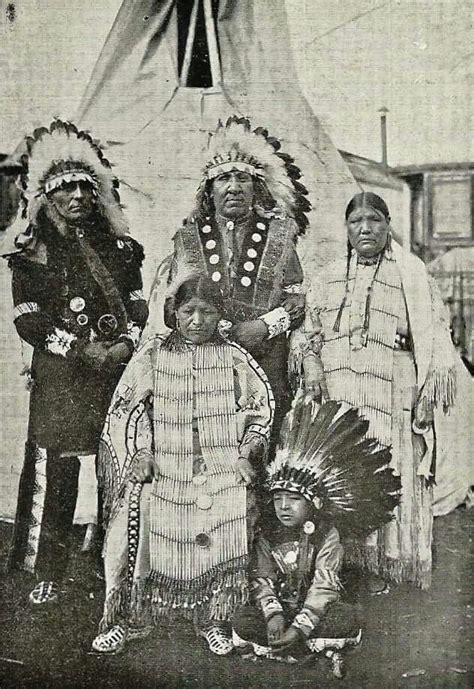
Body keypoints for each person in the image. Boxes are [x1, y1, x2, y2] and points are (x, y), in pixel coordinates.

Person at [91, 275, 275, 656]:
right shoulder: (152, 355)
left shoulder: (236, 356)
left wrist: (246, 453)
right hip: (164, 462)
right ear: (174, 313)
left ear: (220, 315)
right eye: (188, 311)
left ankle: (214, 618)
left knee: (231, 505)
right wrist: (141, 454)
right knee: (140, 507)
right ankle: (128, 617)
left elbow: (261, 407)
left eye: (207, 312)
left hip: (221, 463)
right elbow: (127, 409)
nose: (197, 321)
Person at [4, 120, 148, 604]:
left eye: (85, 187)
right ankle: (47, 568)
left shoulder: (122, 248)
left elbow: (136, 300)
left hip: (114, 370)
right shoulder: (31, 254)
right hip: (61, 376)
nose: (77, 197)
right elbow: (28, 319)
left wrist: (125, 342)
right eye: (65, 188)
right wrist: (78, 348)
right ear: (47, 197)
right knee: (58, 469)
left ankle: (113, 566)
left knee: (115, 465)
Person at [295, 192, 457, 590]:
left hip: (393, 386)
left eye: (374, 220)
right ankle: (337, 566)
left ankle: (382, 566)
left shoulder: (412, 275)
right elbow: (306, 330)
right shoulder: (329, 274)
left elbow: (437, 338)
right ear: (346, 229)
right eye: (356, 222)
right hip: (338, 386)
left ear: (387, 225)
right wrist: (310, 361)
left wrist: (426, 395)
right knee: (340, 468)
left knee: (388, 463)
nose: (364, 228)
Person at [150, 115, 310, 454]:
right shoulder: (188, 238)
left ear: (257, 188)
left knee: (264, 448)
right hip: (208, 361)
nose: (233, 187)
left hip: (268, 359)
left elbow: (297, 300)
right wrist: (216, 327)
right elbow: (170, 307)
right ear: (210, 189)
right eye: (223, 178)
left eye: (242, 178)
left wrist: (264, 326)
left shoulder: (281, 235)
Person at [232, 398, 400, 677]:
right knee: (242, 619)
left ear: (314, 503)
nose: (283, 506)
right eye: (278, 498)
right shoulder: (268, 533)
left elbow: (325, 584)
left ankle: (289, 647)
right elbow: (262, 578)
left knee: (346, 618)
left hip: (316, 609)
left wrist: (300, 626)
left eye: (294, 499)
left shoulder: (327, 535)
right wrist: (273, 615)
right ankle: (310, 650)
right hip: (280, 606)